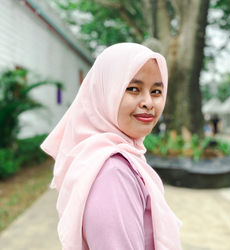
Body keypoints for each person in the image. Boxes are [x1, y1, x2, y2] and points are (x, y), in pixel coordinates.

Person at [41, 43, 182, 250]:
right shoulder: (113, 173)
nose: (148, 102)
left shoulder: (110, 157)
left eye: (156, 91)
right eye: (133, 89)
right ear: (105, 92)